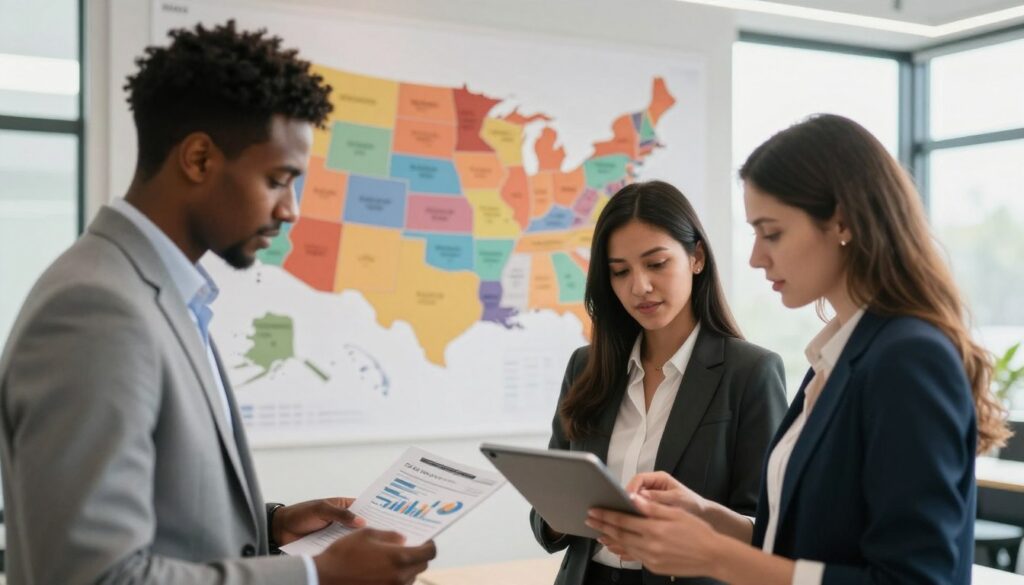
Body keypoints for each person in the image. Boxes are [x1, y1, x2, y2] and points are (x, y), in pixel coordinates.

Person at [0, 21, 435, 585]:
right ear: (200, 159)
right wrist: (315, 577)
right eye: (279, 179)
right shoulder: (97, 311)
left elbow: (164, 510)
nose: (291, 210)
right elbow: (97, 577)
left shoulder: (156, 293)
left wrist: (268, 523)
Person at [586, 114, 1012, 585]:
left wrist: (714, 558)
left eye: (772, 233)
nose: (755, 257)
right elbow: (804, 548)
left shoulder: (908, 358)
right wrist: (706, 515)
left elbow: (915, 579)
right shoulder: (833, 360)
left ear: (842, 222)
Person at [530, 181, 788, 585]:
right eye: (620, 272)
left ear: (696, 257)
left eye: (656, 264)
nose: (639, 287)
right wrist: (563, 514)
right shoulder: (586, 366)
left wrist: (679, 528)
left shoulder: (750, 372)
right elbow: (546, 518)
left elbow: (770, 527)